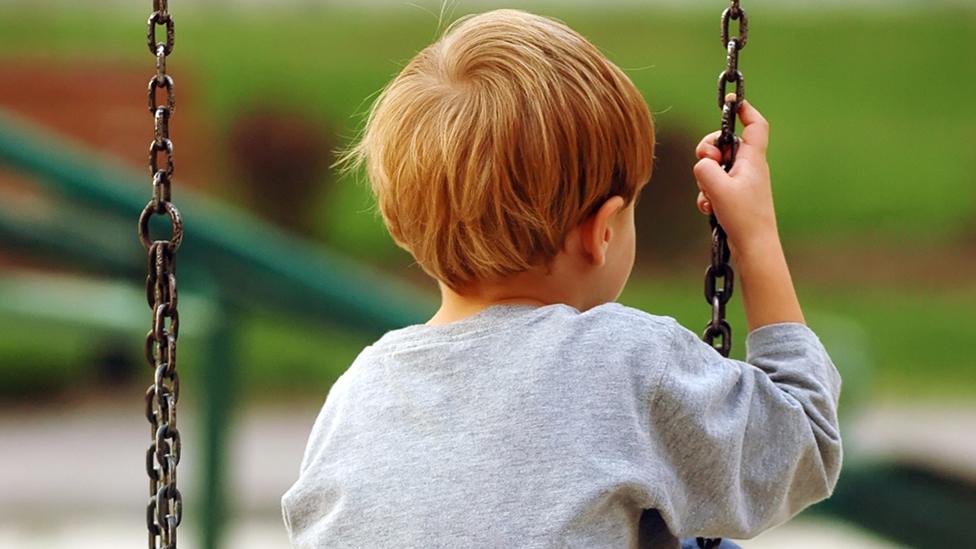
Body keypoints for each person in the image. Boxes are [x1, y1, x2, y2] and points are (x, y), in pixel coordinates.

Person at [281, 9, 842, 549]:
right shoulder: (626, 361)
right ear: (600, 233)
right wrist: (756, 237)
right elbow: (801, 450)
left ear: (399, 227)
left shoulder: (361, 389)